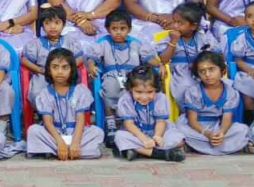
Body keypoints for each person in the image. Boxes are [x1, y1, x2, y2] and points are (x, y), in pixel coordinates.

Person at [88, 11, 159, 142]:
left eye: (122, 28)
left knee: (138, 89)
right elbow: (92, 57)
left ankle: (134, 121)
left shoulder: (136, 43)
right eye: (114, 29)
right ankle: (111, 121)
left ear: (129, 29)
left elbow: (149, 59)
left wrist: (160, 65)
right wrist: (91, 65)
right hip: (112, 75)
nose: (118, 32)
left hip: (133, 76)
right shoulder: (103, 42)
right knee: (109, 88)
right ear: (108, 29)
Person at [26, 49, 103, 160]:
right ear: (48, 70)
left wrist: (75, 142)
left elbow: (80, 120)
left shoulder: (80, 91)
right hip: (54, 135)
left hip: (76, 133)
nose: (60, 72)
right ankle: (67, 151)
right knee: (33, 130)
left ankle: (57, 151)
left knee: (97, 132)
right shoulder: (44, 94)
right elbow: (48, 123)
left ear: (72, 70)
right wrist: (60, 142)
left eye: (65, 68)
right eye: (55, 67)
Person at [176, 51, 250, 155]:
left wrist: (221, 132)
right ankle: (225, 147)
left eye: (211, 69)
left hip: (217, 125)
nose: (207, 75)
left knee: (242, 129)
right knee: (180, 129)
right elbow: (192, 121)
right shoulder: (193, 92)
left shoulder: (231, 92)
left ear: (222, 70)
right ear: (197, 74)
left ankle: (198, 147)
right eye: (202, 71)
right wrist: (207, 133)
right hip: (198, 128)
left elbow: (227, 119)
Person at [114, 66, 186, 162]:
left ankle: (139, 151)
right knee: (120, 136)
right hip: (137, 134)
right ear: (130, 89)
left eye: (150, 92)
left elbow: (160, 121)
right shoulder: (126, 100)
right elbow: (129, 124)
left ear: (156, 89)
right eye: (139, 92)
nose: (144, 97)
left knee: (179, 140)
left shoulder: (160, 98)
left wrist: (157, 136)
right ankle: (161, 154)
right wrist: (144, 139)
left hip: (158, 130)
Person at [22, 6, 83, 104]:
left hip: (65, 75)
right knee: (37, 93)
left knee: (71, 94)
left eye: (57, 23)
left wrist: (68, 68)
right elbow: (24, 60)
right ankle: (45, 112)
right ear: (42, 26)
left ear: (63, 24)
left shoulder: (71, 42)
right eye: (47, 23)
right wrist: (39, 69)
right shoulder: (36, 44)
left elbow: (80, 58)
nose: (52, 27)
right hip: (44, 75)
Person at [157, 2, 217, 102]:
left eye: (180, 23)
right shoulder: (169, 37)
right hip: (181, 72)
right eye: (174, 21)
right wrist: (173, 41)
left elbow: (214, 53)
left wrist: (198, 63)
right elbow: (163, 59)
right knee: (184, 86)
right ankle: (190, 109)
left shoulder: (203, 37)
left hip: (202, 69)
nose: (175, 26)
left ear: (193, 26)